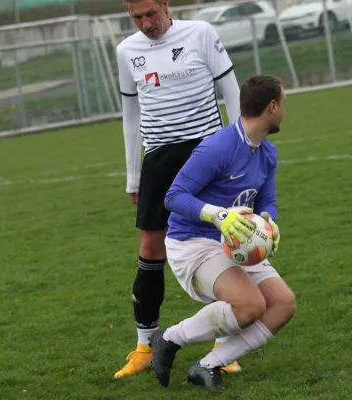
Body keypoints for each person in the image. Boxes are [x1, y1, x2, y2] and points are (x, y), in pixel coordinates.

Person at [114, 0, 243, 379]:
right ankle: (144, 346)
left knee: (225, 243)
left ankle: (225, 346)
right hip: (159, 160)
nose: (146, 23)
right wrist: (133, 175)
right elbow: (131, 115)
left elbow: (231, 91)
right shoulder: (126, 51)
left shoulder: (200, 33)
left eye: (151, 14)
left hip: (207, 152)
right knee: (150, 250)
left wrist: (238, 151)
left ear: (166, 5)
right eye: (137, 17)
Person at [148, 74, 296, 389]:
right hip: (193, 243)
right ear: (272, 107)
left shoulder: (267, 153)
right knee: (251, 306)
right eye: (284, 103)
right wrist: (219, 216)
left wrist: (269, 222)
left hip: (234, 241)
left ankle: (208, 365)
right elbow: (173, 197)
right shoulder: (218, 147)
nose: (285, 110)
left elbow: (266, 200)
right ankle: (169, 339)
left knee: (283, 304)